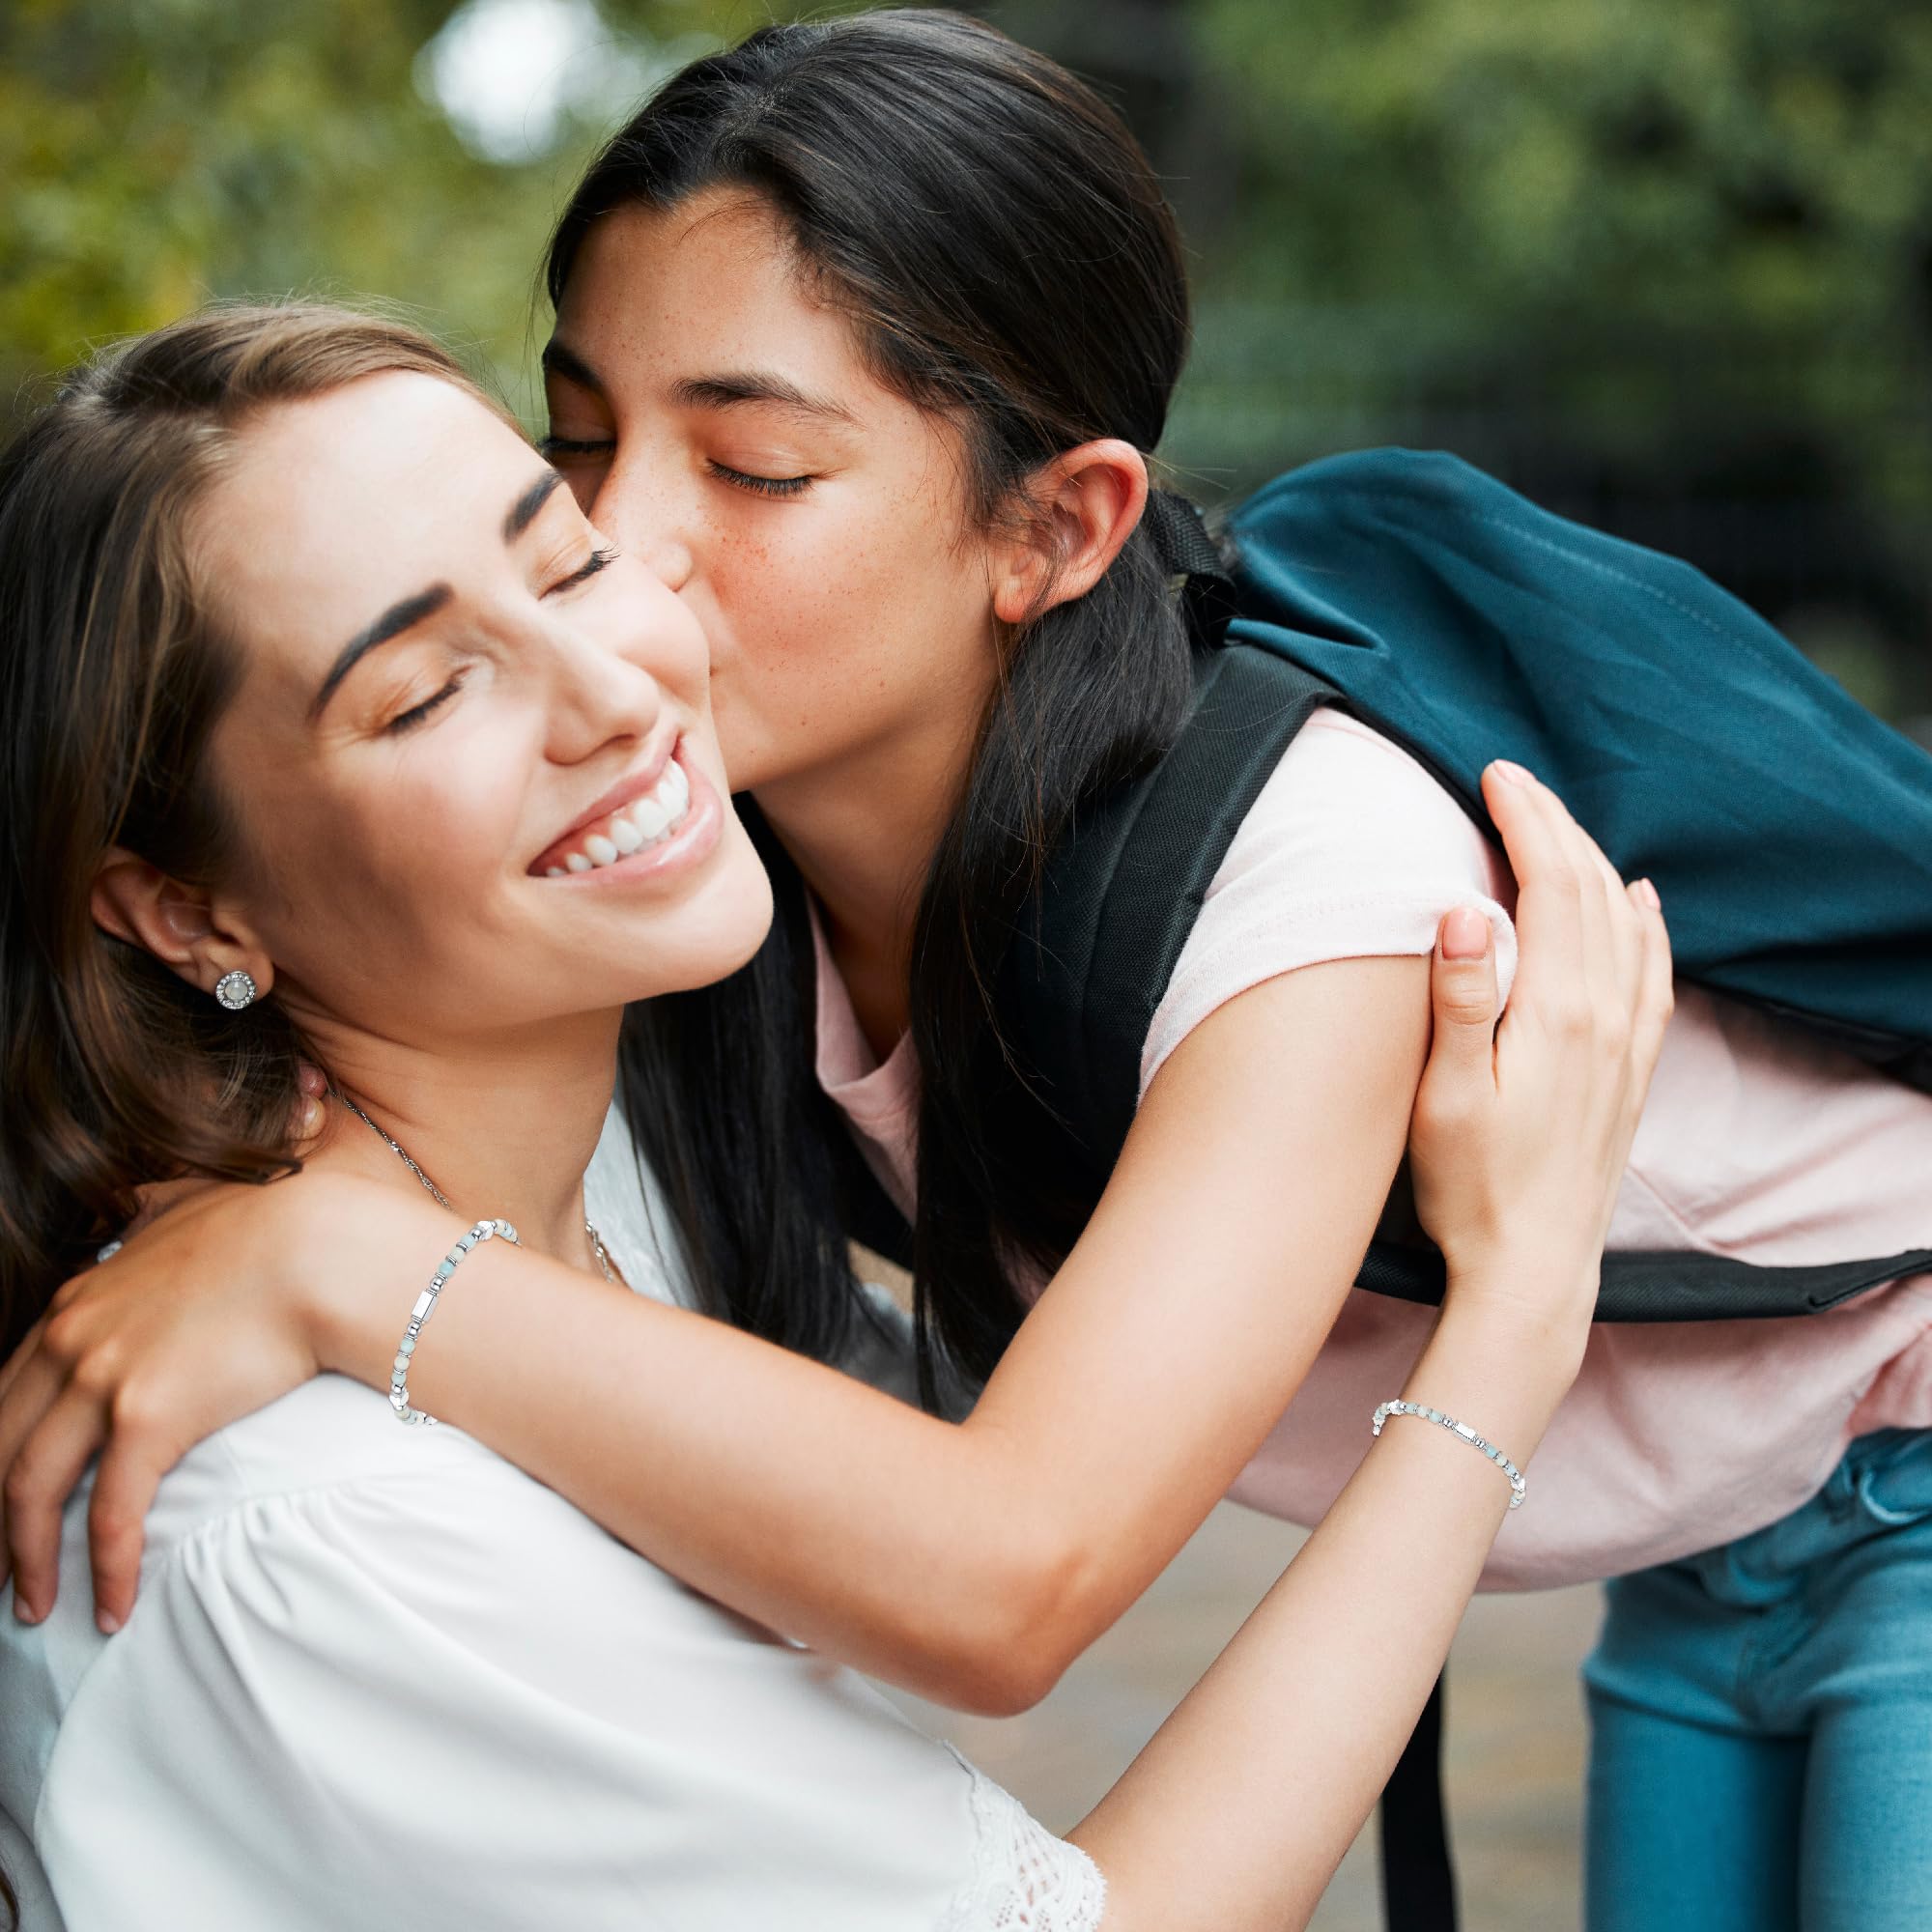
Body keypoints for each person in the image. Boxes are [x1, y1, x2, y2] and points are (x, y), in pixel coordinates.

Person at [8, 13, 1932, 1926]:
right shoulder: (691, 894)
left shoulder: (1306, 886)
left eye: (750, 467)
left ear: (1057, 523)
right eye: (578, 441)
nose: (623, 556)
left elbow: (1006, 1567)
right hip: (1698, 1537)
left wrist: (346, 1268)